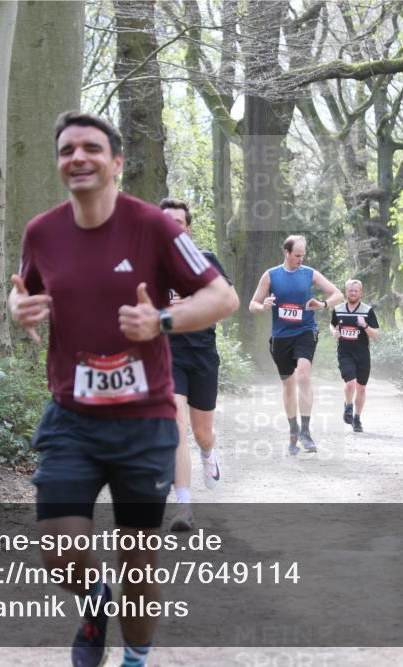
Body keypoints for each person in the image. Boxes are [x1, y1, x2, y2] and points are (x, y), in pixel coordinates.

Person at [9, 112, 237, 667]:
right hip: (73, 418)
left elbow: (223, 297)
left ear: (116, 162)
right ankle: (94, 600)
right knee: (59, 549)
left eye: (91, 148)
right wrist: (19, 308)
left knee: (138, 563)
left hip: (143, 422)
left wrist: (161, 320)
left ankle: (134, 659)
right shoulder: (42, 232)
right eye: (67, 150)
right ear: (59, 163)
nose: (77, 157)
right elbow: (22, 290)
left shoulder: (154, 227)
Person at [158, 198, 238, 532]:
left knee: (202, 433)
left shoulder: (205, 261)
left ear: (187, 230)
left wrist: (193, 302)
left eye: (177, 223)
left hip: (203, 355)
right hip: (168, 355)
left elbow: (228, 302)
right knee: (176, 426)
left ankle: (208, 453)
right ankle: (183, 505)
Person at [249, 235, 343, 455]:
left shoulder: (309, 273)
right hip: (281, 337)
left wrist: (323, 304)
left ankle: (306, 432)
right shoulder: (271, 275)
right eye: (297, 255)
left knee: (304, 376)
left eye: (303, 255)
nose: (301, 259)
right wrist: (264, 306)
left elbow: (338, 294)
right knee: (288, 385)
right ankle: (293, 431)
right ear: (287, 252)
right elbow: (252, 305)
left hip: (305, 331)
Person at [329, 279, 380, 433]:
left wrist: (365, 325)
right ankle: (349, 406)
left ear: (360, 292)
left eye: (356, 291)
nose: (353, 293)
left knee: (361, 389)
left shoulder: (367, 310)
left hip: (362, 355)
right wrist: (334, 332)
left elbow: (376, 335)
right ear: (346, 292)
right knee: (350, 383)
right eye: (350, 290)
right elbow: (332, 324)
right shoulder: (338, 309)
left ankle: (357, 419)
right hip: (345, 353)